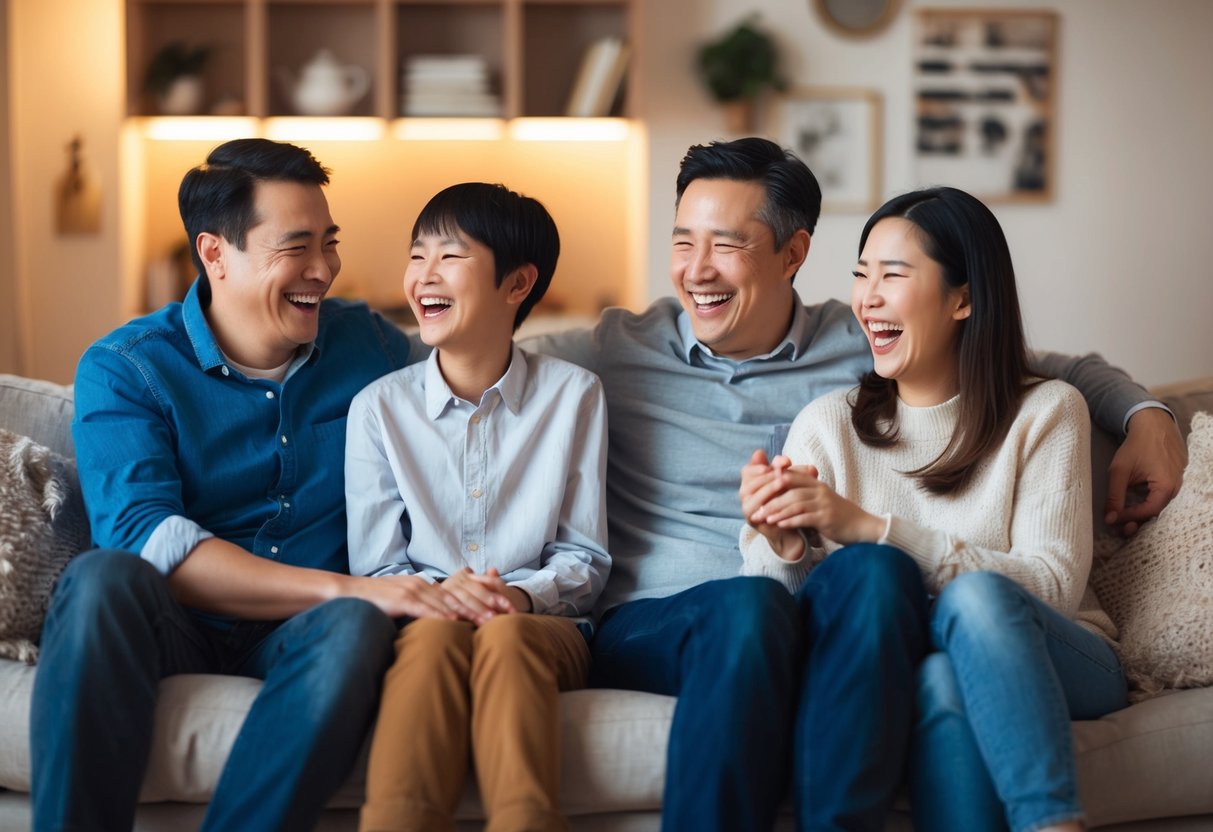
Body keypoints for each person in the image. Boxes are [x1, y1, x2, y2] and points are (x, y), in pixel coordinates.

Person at [523, 137, 1185, 831]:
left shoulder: (867, 342)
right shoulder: (617, 346)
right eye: (681, 241)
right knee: (757, 608)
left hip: (804, 608)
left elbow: (1032, 367)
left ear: (792, 254)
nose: (695, 270)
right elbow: (458, 348)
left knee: (871, 574)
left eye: (725, 244)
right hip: (668, 615)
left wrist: (1147, 416)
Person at [30, 138, 443, 832]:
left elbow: (466, 399)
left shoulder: (368, 346)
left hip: (304, 635)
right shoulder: (126, 368)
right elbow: (147, 539)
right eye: (297, 248)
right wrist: (349, 585)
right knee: (102, 577)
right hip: (174, 626)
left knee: (352, 625)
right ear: (215, 253)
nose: (324, 270)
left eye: (329, 242)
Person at [739, 186, 1126, 831]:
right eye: (862, 274)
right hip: (921, 663)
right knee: (942, 680)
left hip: (1062, 657)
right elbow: (783, 620)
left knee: (973, 602)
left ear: (964, 298)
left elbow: (1053, 591)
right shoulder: (827, 426)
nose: (868, 298)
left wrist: (869, 529)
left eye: (894, 274)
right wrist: (785, 545)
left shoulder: (1048, 411)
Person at [345, 182, 610, 832]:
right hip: (422, 623)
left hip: (541, 627)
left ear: (517, 284)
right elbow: (377, 569)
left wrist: (513, 599)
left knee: (506, 634)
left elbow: (584, 557)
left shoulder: (574, 395)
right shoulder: (378, 409)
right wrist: (445, 597)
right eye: (416, 256)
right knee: (435, 637)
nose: (423, 277)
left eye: (449, 257)